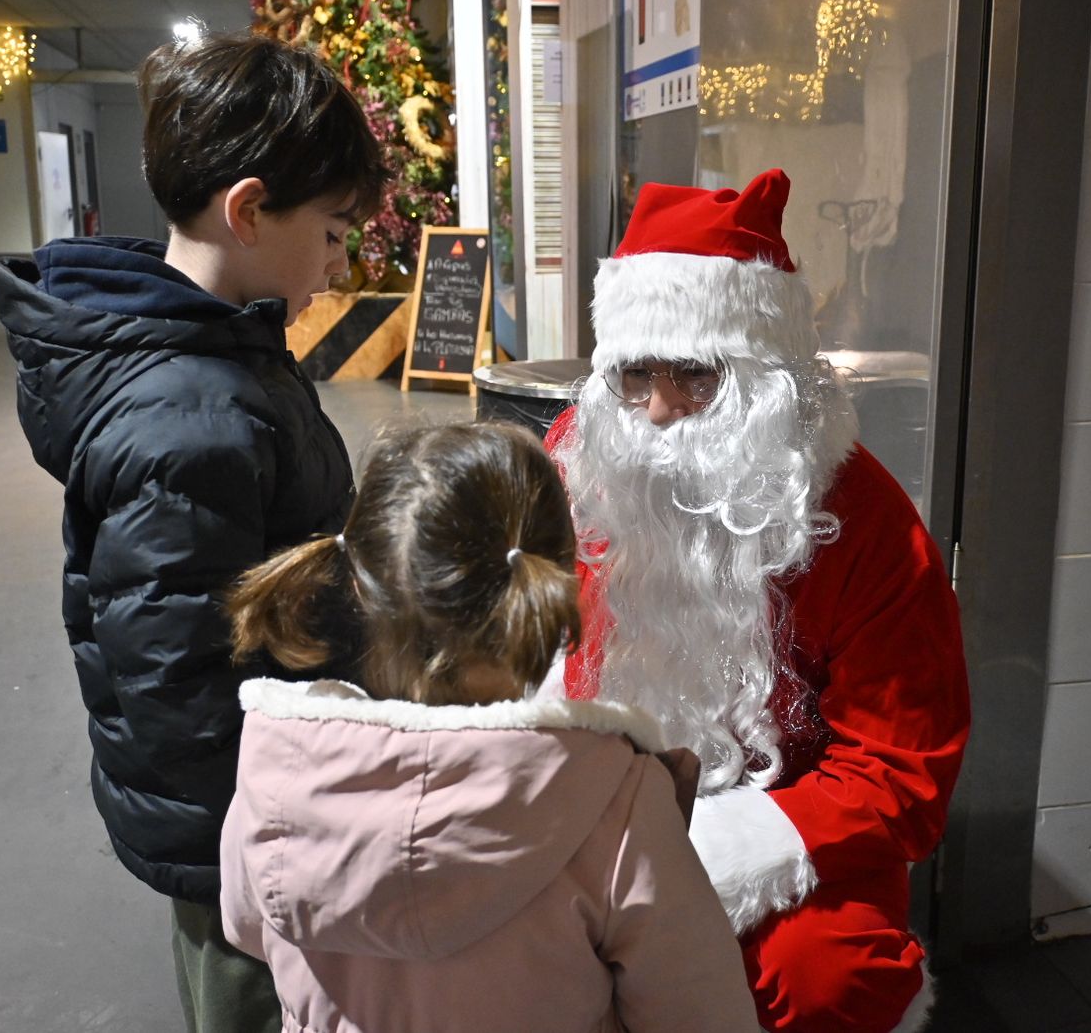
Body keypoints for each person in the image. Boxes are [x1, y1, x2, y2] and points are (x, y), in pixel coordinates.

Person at [0, 32, 387, 1032]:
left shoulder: (222, 349)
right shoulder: (187, 415)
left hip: (265, 793)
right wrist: (265, 843)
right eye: (333, 231)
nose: (340, 262)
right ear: (247, 211)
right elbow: (177, 678)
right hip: (242, 830)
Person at [545, 168, 972, 1033]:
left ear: (765, 378)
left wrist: (717, 848)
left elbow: (899, 767)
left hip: (798, 823)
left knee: (825, 976)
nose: (657, 412)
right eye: (634, 375)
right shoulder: (585, 465)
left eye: (694, 376)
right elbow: (526, 651)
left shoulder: (869, 525)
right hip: (599, 804)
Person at [216, 421, 758, 1033]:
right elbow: (699, 1012)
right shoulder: (613, 798)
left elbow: (247, 925)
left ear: (360, 584)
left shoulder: (278, 767)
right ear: (552, 581)